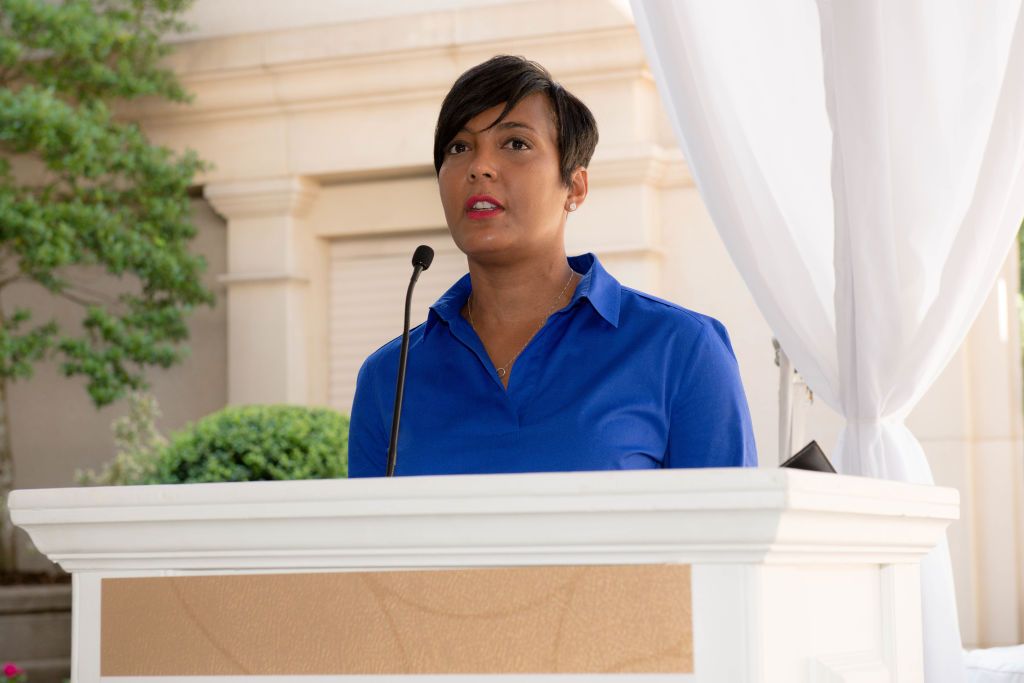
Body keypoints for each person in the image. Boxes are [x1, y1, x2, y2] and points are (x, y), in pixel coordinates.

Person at [348, 55, 756, 477]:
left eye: (515, 144)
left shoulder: (683, 349)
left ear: (574, 187)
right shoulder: (388, 378)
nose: (479, 167)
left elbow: (728, 537)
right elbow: (365, 540)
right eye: (459, 147)